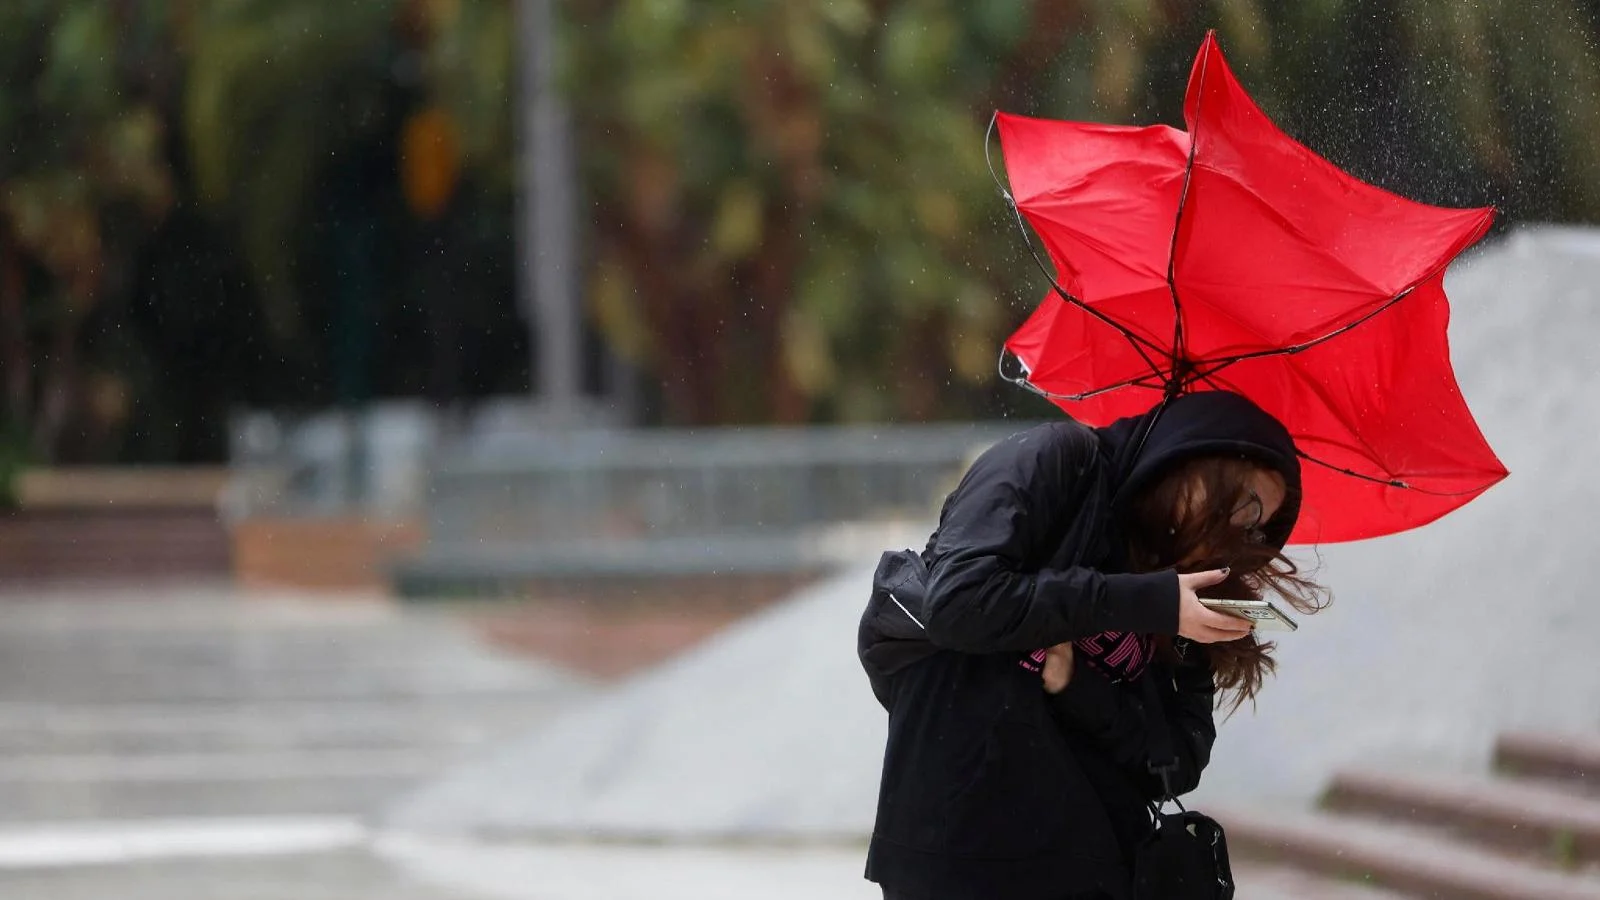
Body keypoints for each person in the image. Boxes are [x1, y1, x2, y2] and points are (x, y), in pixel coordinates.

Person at [859, 390, 1325, 900]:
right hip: (959, 847)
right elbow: (957, 603)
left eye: (1259, 527)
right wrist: (1143, 601)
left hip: (1089, 865)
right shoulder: (1058, 460)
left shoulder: (1196, 589)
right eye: (1246, 505)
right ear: (1195, 456)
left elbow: (1175, 761)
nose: (1242, 530)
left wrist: (1076, 684)